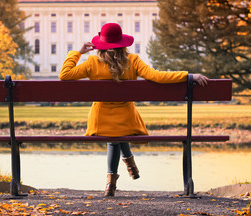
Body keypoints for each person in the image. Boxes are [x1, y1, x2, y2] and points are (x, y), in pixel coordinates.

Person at [59, 23, 208, 197]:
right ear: (123, 44)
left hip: (100, 122)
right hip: (127, 120)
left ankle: (110, 184)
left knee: (113, 137)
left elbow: (64, 74)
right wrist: (188, 76)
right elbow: (157, 77)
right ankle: (129, 162)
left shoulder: (92, 62)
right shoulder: (133, 61)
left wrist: (78, 52)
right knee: (119, 131)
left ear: (101, 44)